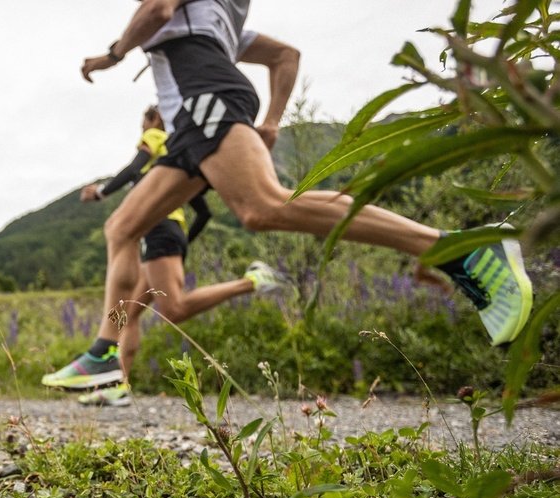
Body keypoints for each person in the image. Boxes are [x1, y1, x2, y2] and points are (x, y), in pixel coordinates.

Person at [44, 0, 534, 394]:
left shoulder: (191, 17)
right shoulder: (225, 21)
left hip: (204, 101)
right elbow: (286, 56)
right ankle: (105, 350)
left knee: (263, 206)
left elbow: (156, 11)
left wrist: (112, 53)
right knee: (122, 228)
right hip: (193, 121)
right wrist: (273, 122)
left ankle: (456, 247)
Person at [46, 100, 288, 406]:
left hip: (159, 232)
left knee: (174, 309)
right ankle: (118, 383)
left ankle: (252, 280)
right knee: (130, 312)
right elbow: (202, 212)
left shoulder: (156, 139)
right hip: (166, 235)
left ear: (154, 119)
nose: (142, 130)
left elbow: (133, 167)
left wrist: (101, 191)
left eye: (143, 123)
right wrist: (183, 243)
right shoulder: (177, 157)